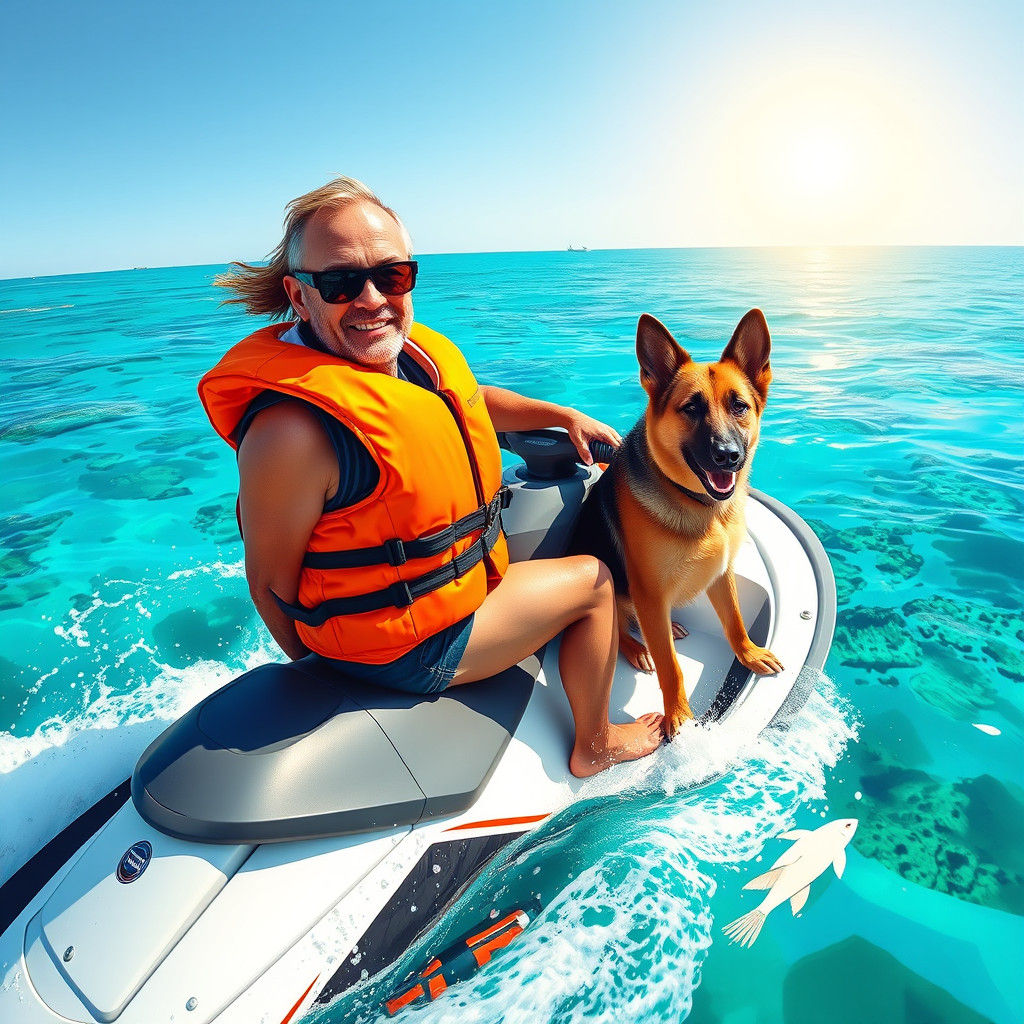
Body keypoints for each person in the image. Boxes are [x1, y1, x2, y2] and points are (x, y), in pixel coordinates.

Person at [199, 177, 662, 777]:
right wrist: (333, 679)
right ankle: (596, 743)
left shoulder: (402, 358)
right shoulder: (292, 433)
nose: (371, 300)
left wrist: (562, 415)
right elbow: (269, 586)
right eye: (341, 282)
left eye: (391, 276)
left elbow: (467, 403)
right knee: (596, 581)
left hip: (449, 588)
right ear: (299, 293)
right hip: (406, 649)